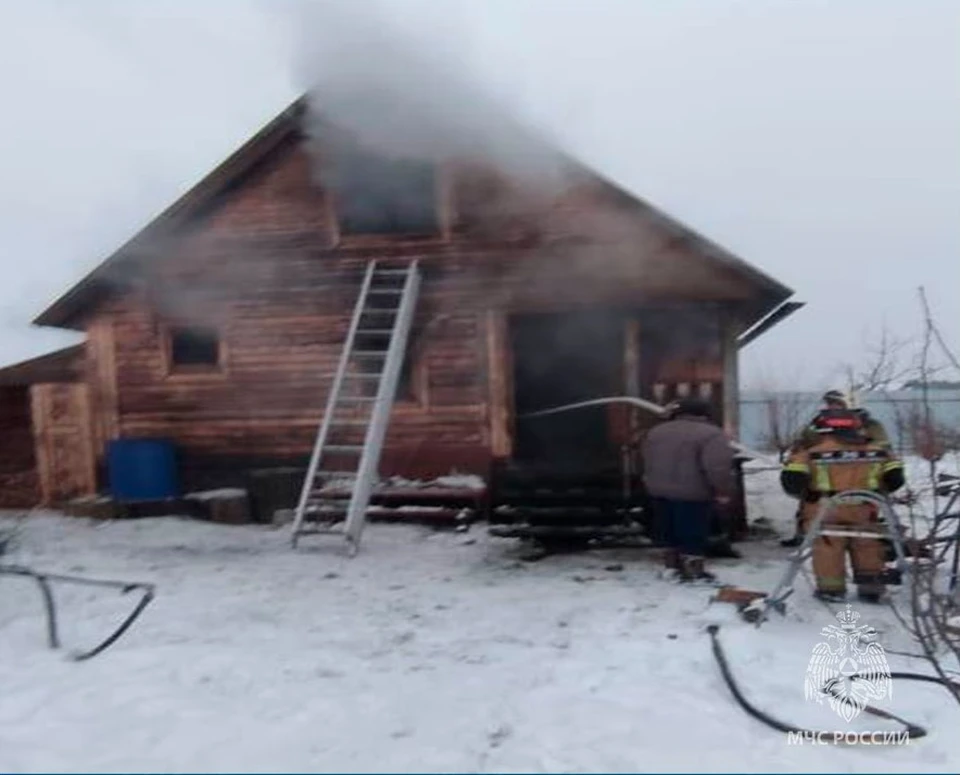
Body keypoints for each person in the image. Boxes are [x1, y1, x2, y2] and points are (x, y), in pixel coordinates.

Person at [779, 407, 906, 603]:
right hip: (866, 511)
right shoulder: (879, 451)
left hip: (825, 512)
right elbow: (896, 479)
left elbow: (792, 482)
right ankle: (871, 587)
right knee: (868, 544)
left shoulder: (809, 453)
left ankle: (831, 589)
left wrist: (808, 496)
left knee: (827, 546)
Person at [779, 389, 892, 547]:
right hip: (827, 472)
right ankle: (805, 535)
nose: (831, 407)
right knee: (810, 502)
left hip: (860, 475)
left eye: (836, 403)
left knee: (864, 516)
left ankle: (861, 543)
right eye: (829, 403)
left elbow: (883, 451)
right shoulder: (819, 422)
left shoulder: (871, 425)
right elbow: (804, 442)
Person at [641, 397, 736, 581]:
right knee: (693, 531)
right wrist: (723, 490)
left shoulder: (655, 432)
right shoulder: (711, 434)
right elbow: (717, 467)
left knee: (667, 529)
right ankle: (693, 569)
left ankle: (671, 567)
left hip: (659, 490)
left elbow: (646, 459)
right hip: (693, 493)